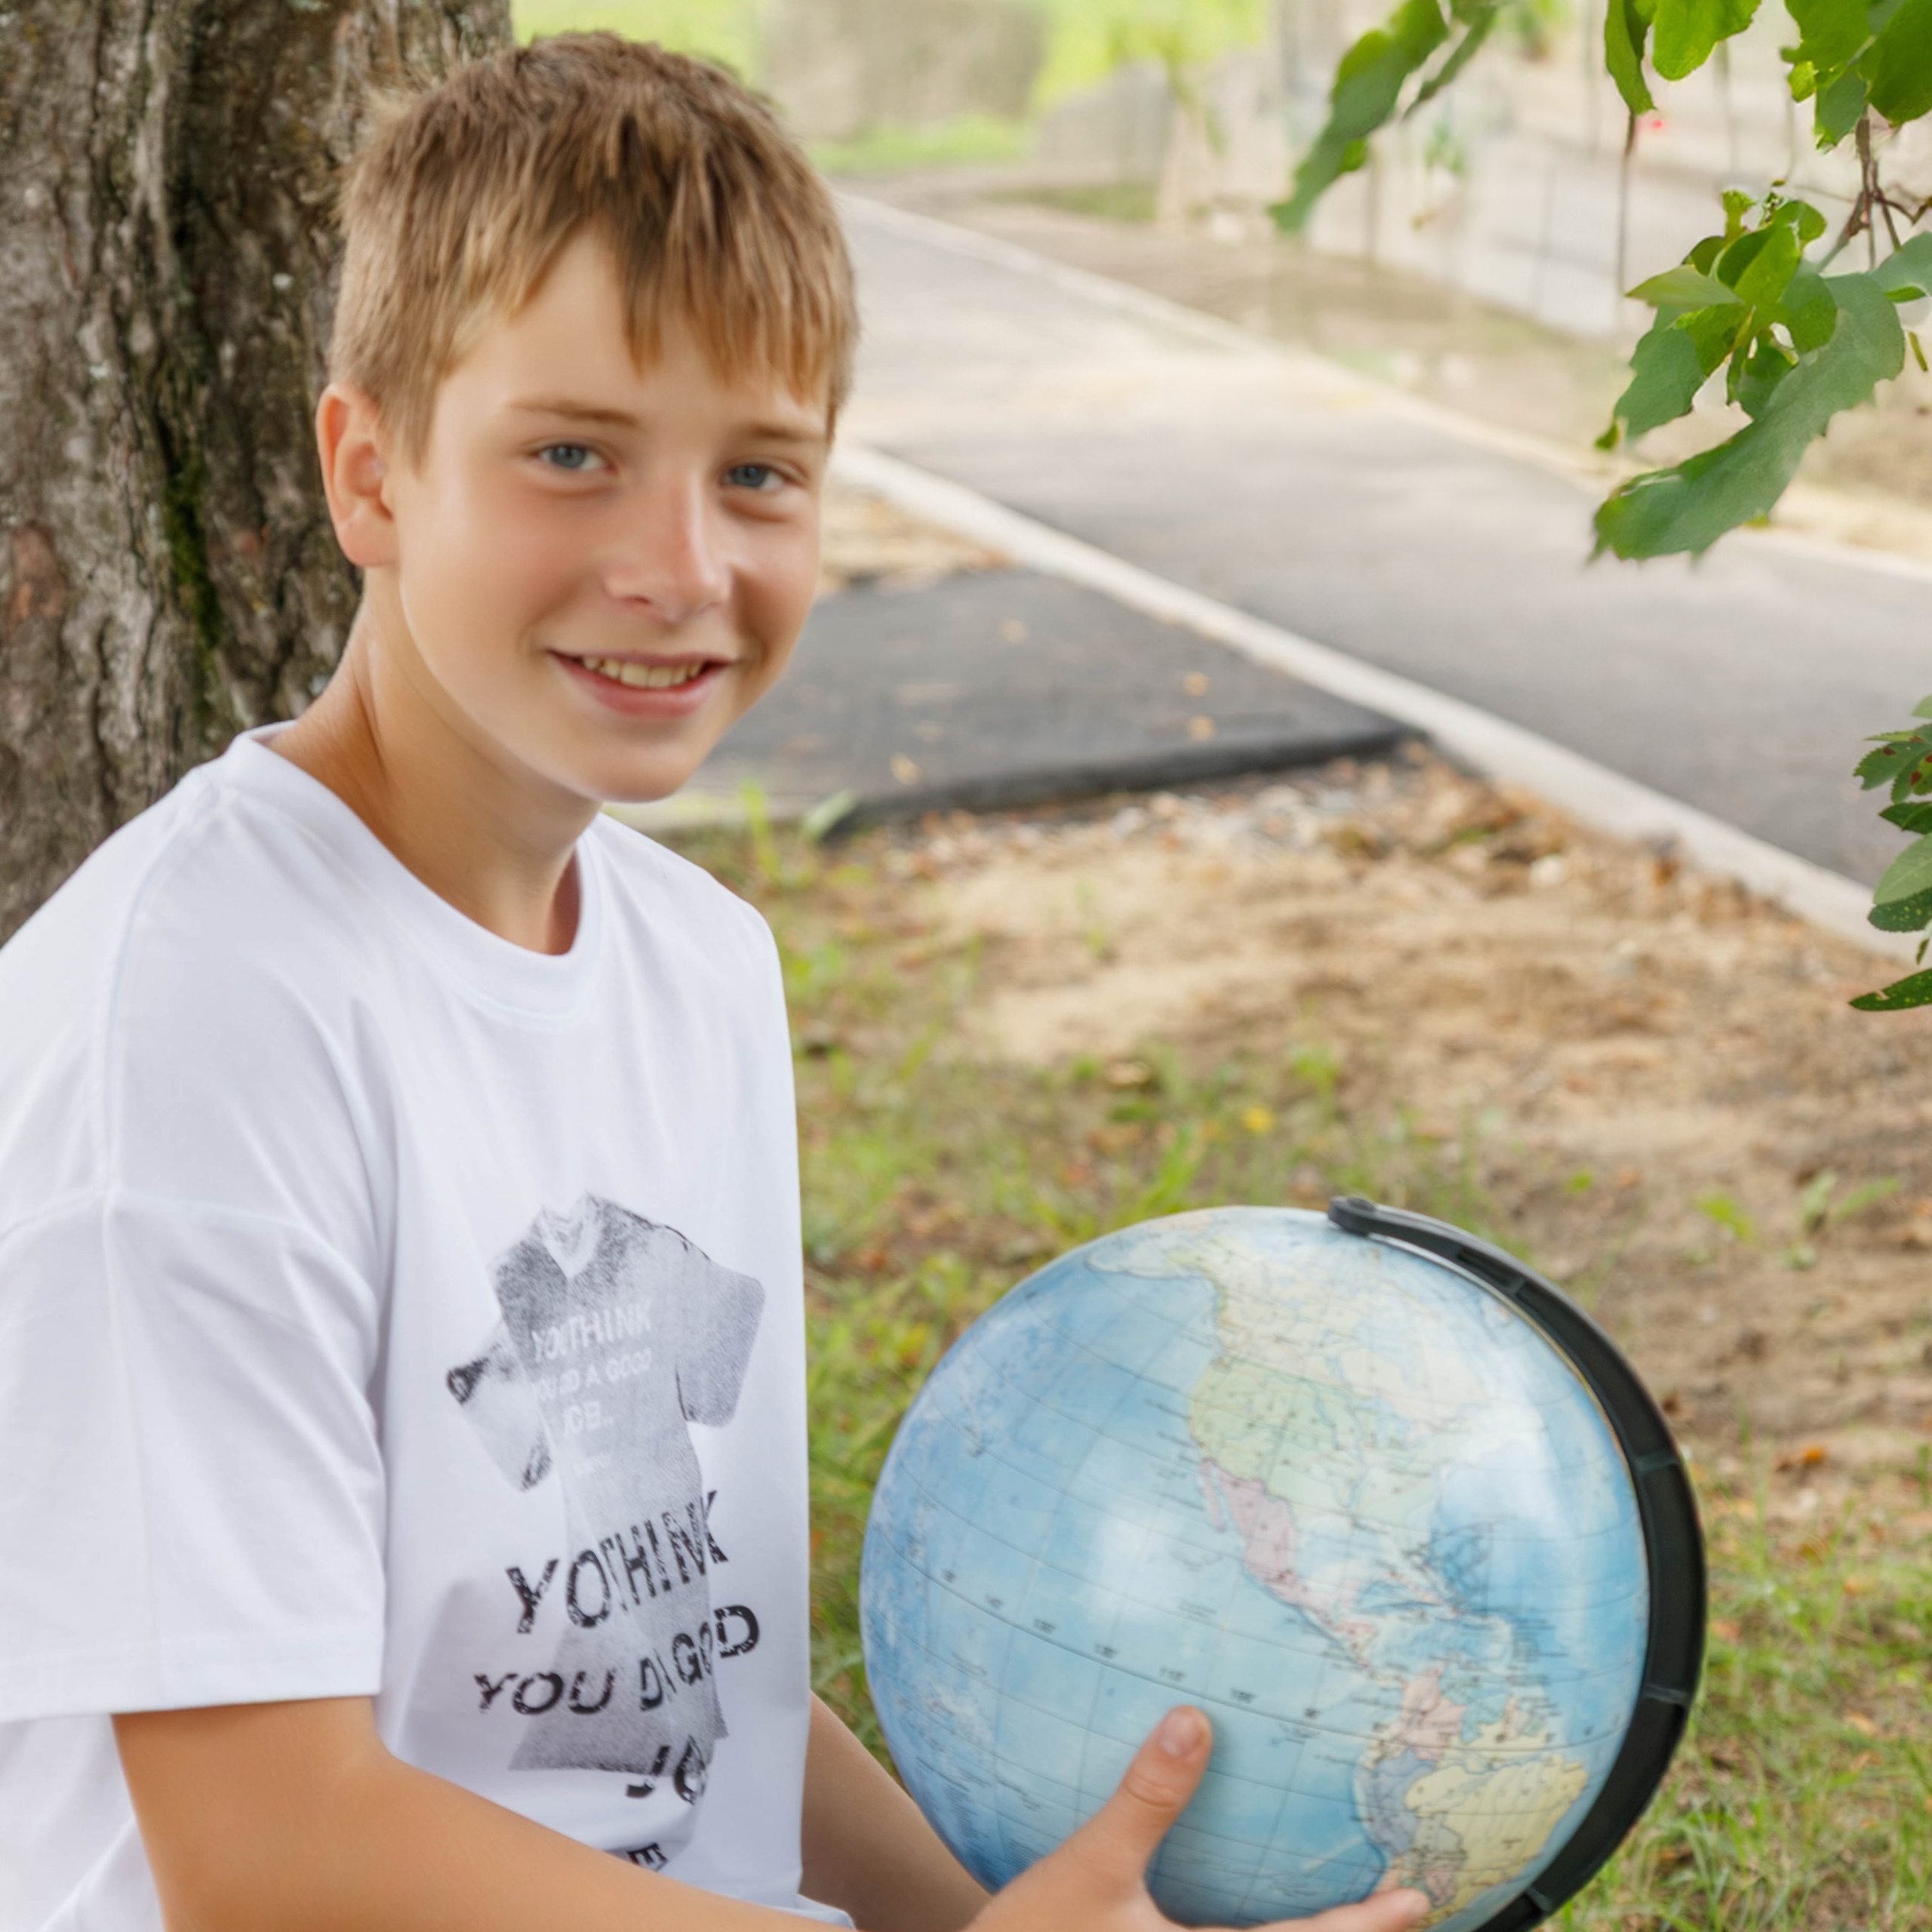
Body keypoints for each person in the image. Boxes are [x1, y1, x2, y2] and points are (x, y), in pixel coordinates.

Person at [0, 35, 1431, 1932]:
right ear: (371, 473)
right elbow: (270, 1855)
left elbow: (694, 1657)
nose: (680, 566)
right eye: (572, 453)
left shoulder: (695, 959)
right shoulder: (188, 1018)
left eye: (759, 472)